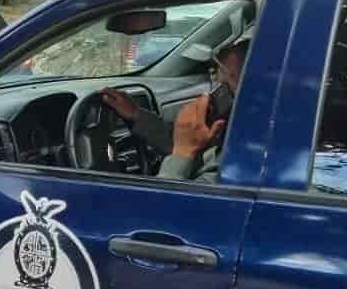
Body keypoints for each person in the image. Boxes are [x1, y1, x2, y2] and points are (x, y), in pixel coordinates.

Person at [99, 26, 254, 183]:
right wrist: (137, 115)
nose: (213, 88)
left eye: (222, 79)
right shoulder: (247, 130)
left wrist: (182, 154)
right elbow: (187, 148)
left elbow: (162, 205)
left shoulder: (243, 161)